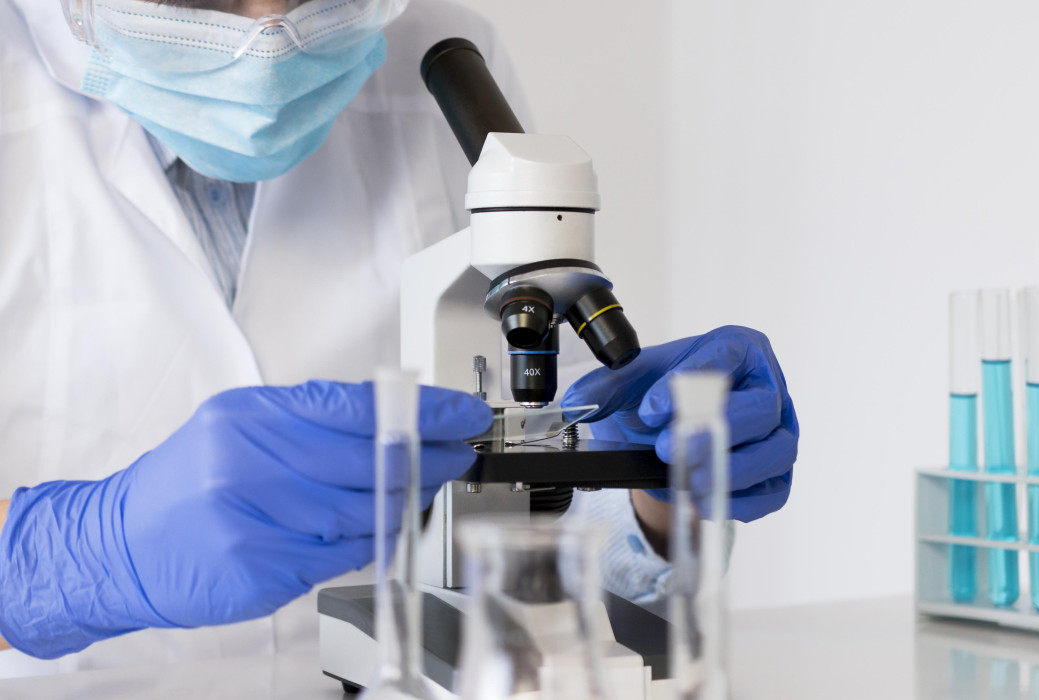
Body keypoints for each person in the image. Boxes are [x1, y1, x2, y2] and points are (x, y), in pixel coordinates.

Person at [0, 0, 799, 675]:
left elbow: (520, 537)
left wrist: (655, 497)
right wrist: (65, 560)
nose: (272, 32)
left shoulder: (440, 54)